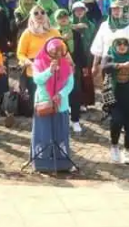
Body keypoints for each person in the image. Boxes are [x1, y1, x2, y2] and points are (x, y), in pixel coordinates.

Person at [30, 37, 75, 172]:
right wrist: (49, 70)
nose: (56, 54)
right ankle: (41, 163)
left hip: (61, 105)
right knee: (43, 133)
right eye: (53, 51)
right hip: (44, 103)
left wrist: (60, 94)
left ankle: (62, 163)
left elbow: (70, 83)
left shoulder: (66, 65)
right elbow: (37, 80)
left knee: (60, 133)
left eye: (59, 51)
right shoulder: (38, 62)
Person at [101, 32, 129, 164]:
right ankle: (114, 146)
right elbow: (105, 68)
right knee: (116, 121)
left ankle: (126, 151)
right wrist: (119, 66)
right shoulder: (109, 57)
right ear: (114, 45)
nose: (122, 46)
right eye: (119, 43)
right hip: (114, 96)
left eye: (125, 43)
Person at [16, 5, 61, 107]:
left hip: (52, 70)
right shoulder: (27, 33)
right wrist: (28, 62)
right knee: (37, 104)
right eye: (36, 13)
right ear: (31, 16)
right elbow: (20, 54)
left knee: (53, 102)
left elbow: (62, 50)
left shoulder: (54, 32)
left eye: (42, 12)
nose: (39, 15)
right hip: (34, 71)